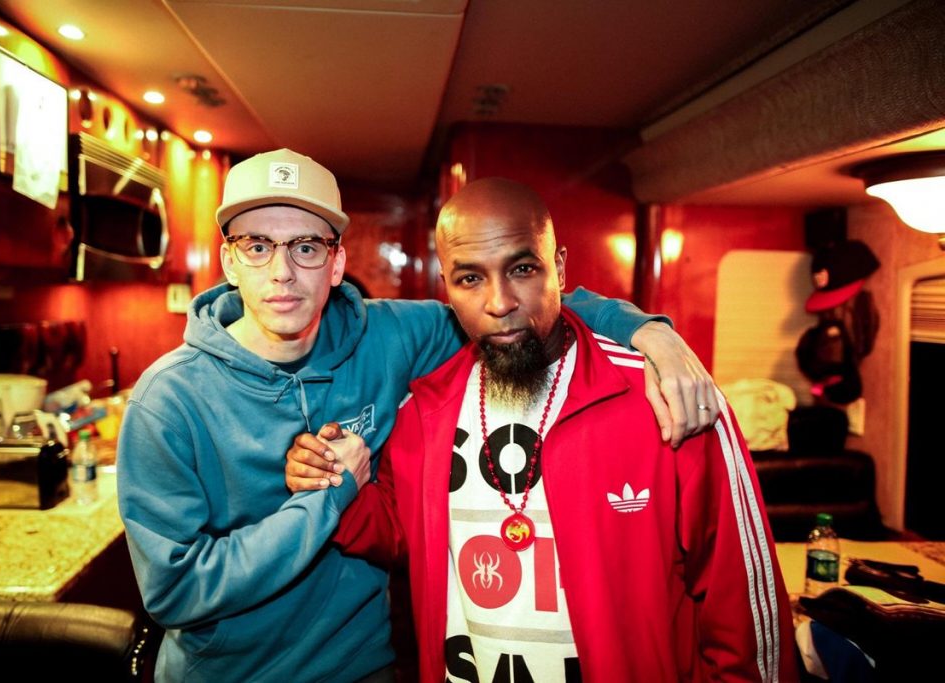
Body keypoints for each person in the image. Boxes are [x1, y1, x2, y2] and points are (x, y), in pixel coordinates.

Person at [117, 149, 719, 683]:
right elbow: (175, 591)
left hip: (362, 665)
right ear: (229, 261)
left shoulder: (392, 336)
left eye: (306, 247)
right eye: (257, 246)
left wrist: (648, 331)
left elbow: (520, 304)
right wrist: (330, 499)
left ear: (335, 262)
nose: (282, 272)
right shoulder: (167, 400)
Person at [288, 177, 797, 682]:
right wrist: (334, 483)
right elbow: (403, 533)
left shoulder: (664, 397)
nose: (499, 302)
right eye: (470, 279)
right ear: (447, 287)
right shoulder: (424, 410)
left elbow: (743, 604)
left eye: (523, 269)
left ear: (560, 267)